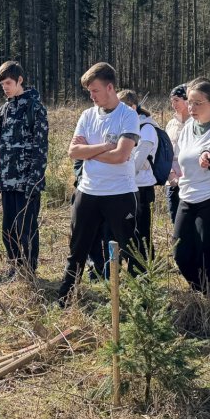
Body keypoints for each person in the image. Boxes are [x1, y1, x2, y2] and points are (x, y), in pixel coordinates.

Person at [56, 63, 139, 306]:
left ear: (110, 87)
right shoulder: (87, 115)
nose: (91, 96)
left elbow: (121, 156)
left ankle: (142, 303)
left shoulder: (128, 116)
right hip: (88, 191)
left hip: (120, 193)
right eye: (89, 92)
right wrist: (103, 147)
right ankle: (65, 298)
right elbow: (73, 151)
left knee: (130, 250)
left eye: (95, 90)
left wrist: (88, 152)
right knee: (77, 249)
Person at [0, 61, 49, 279]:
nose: (4, 87)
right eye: (2, 84)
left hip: (27, 183)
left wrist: (33, 182)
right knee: (8, 230)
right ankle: (14, 266)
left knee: (27, 229)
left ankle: (29, 270)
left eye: (8, 83)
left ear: (19, 81)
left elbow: (41, 148)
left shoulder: (35, 108)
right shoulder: (4, 110)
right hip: (7, 182)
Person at [174, 78, 210, 293]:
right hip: (186, 195)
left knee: (207, 252)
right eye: (189, 102)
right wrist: (174, 172)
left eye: (198, 103)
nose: (191, 108)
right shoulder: (188, 126)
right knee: (180, 253)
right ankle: (201, 291)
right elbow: (179, 157)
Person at [118, 90, 160, 274]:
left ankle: (143, 273)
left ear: (133, 108)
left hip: (142, 187)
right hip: (128, 186)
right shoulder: (129, 127)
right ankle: (135, 270)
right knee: (129, 231)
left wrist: (120, 163)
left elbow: (137, 161)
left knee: (142, 233)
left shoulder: (147, 129)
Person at [165, 84, 190, 222]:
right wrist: (171, 175)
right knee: (175, 220)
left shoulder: (196, 123)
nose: (173, 104)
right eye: (171, 100)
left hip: (190, 181)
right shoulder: (170, 124)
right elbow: (165, 153)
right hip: (172, 182)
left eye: (176, 100)